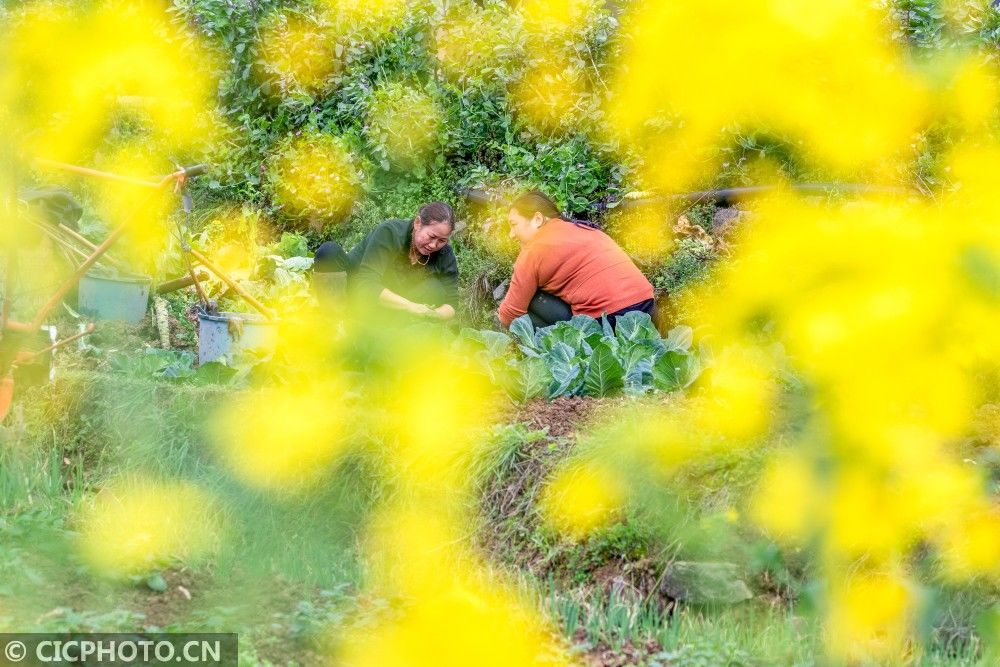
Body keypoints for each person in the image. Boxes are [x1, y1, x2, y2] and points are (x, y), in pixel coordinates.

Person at [497, 191, 654, 329]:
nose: (511, 234)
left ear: (537, 219)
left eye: (514, 224)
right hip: (648, 307)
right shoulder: (585, 229)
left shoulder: (533, 250)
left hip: (609, 320)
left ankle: (556, 355)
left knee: (530, 299)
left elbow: (510, 314)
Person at [313, 202, 459, 321]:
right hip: (355, 289)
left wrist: (432, 314)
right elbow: (366, 284)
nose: (434, 245)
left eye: (442, 240)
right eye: (431, 236)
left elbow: (451, 304)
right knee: (328, 252)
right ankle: (335, 322)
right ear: (418, 223)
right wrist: (411, 306)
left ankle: (392, 335)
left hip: (387, 307)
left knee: (436, 289)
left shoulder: (444, 254)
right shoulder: (390, 233)